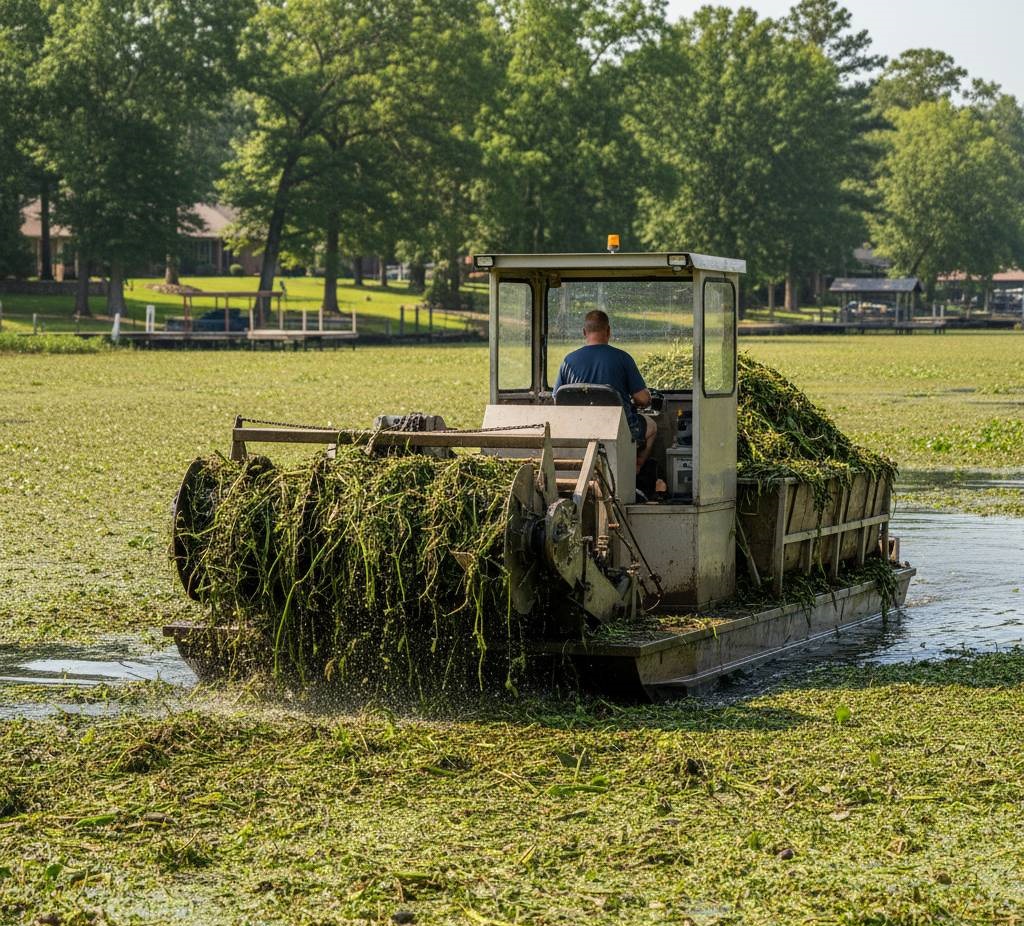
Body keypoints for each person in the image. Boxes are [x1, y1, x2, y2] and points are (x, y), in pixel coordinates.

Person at [553, 309, 656, 471]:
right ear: (608, 331)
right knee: (651, 426)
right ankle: (631, 475)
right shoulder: (623, 358)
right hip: (618, 431)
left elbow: (557, 399)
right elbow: (642, 399)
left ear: (584, 332)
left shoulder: (568, 361)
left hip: (579, 430)